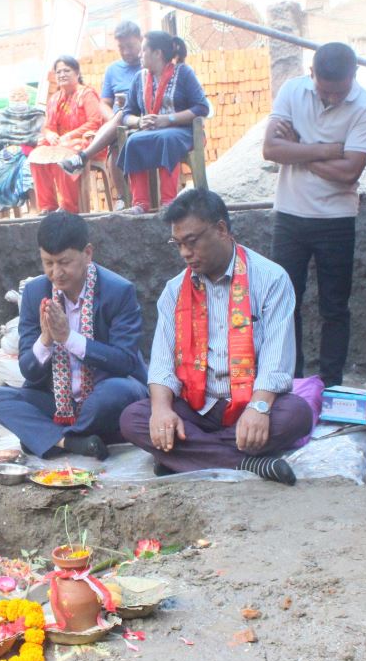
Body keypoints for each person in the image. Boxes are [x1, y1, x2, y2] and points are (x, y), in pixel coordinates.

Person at [119, 188, 312, 484]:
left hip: (250, 404)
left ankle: (181, 457)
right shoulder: (174, 290)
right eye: (178, 243)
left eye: (192, 241)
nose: (184, 253)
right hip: (195, 408)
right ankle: (247, 463)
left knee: (297, 415)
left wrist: (259, 408)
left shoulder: (271, 279)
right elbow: (160, 364)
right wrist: (160, 411)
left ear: (221, 229)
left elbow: (277, 362)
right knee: (134, 418)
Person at [263, 42, 366, 388]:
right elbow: (271, 149)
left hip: (337, 220)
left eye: (338, 92)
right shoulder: (291, 90)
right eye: (324, 91)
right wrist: (327, 150)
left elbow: (349, 173)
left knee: (334, 307)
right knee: (285, 303)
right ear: (311, 74)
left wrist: (298, 148)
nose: (330, 99)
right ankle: (289, 382)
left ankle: (330, 385)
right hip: (289, 215)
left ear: (353, 76)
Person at [0, 211, 149, 459]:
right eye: (48, 263)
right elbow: (29, 370)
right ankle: (71, 442)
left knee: (112, 395)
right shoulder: (34, 292)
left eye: (64, 262)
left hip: (103, 393)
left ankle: (45, 437)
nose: (56, 272)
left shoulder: (118, 291)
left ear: (88, 254)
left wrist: (68, 338)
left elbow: (124, 361)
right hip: (58, 401)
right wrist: (46, 340)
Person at [118, 31, 211, 213]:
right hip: (149, 131)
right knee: (133, 141)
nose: (139, 55)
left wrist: (168, 119)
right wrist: (139, 121)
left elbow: (201, 108)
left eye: (143, 50)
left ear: (158, 53)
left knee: (167, 138)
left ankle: (169, 202)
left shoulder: (183, 73)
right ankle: (140, 203)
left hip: (181, 131)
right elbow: (126, 114)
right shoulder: (140, 77)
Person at [62, 21, 143, 196]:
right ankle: (123, 198)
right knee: (116, 145)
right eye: (121, 47)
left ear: (141, 40)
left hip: (141, 119)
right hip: (119, 124)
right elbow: (104, 103)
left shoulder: (148, 65)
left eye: (130, 46)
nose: (126, 52)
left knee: (125, 113)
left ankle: (83, 156)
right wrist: (113, 119)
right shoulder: (113, 70)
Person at [29, 56, 104, 213]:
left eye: (66, 70)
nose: (62, 74)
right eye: (58, 72)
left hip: (86, 142)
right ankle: (48, 206)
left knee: (62, 153)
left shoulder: (87, 94)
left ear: (76, 73)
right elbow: (48, 126)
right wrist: (49, 134)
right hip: (60, 142)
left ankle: (69, 206)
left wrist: (69, 136)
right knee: (37, 155)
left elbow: (94, 122)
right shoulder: (55, 98)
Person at [0, 85, 45, 215]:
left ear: (27, 98)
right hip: (6, 155)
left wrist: (31, 150)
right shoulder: (2, 115)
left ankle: (34, 207)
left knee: (28, 170)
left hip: (29, 154)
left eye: (20, 95)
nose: (16, 99)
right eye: (13, 96)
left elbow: (42, 137)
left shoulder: (36, 114)